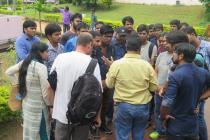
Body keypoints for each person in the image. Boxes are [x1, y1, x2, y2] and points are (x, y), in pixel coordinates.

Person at [105, 31, 158, 140]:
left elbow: (109, 84)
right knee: (138, 135)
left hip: (123, 106)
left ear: (126, 47)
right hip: (142, 106)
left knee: (122, 135)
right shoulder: (147, 66)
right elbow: (154, 88)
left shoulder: (117, 64)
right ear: (139, 48)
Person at [50, 33, 102, 140]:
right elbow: (98, 92)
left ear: (77, 44)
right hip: (81, 115)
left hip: (61, 113)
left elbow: (50, 85)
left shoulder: (60, 57)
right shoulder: (93, 63)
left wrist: (51, 107)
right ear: (89, 45)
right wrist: (97, 116)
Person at [160, 42, 210, 140]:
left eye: (174, 52)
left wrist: (163, 116)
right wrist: (198, 98)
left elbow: (167, 102)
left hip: (177, 125)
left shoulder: (176, 75)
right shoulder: (203, 72)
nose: (172, 56)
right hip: (192, 126)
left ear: (181, 55)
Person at [6, 42, 51, 140]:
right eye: (46, 51)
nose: (48, 54)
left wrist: (18, 83)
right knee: (44, 132)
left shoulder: (25, 62)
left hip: (27, 104)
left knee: (29, 131)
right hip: (39, 108)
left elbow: (8, 72)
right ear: (40, 52)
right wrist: (50, 106)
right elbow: (45, 93)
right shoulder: (41, 67)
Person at [182, 26, 210, 140]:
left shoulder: (207, 46)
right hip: (194, 83)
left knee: (198, 115)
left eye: (186, 37)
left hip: (204, 84)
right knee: (196, 114)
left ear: (193, 34)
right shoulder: (189, 48)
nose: (184, 40)